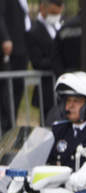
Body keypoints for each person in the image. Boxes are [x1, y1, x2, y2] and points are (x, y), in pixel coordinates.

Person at [26, 0, 64, 124]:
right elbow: (37, 62)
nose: (55, 16)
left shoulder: (62, 27)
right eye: (53, 12)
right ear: (43, 8)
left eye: (58, 13)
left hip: (64, 89)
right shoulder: (34, 31)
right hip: (47, 92)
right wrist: (59, 62)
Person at [0, 0, 31, 132]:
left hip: (21, 50)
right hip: (9, 52)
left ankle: (11, 129)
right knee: (6, 95)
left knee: (17, 90)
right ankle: (6, 129)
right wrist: (5, 38)